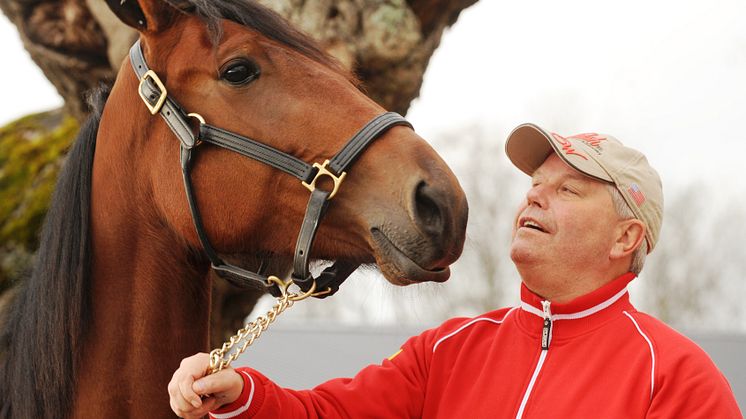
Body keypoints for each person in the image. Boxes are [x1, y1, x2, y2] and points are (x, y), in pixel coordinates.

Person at [168, 123, 743, 418]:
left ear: (627, 237)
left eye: (567, 189)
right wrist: (242, 394)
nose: (534, 199)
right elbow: (327, 415)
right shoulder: (449, 350)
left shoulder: (676, 378)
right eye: (534, 185)